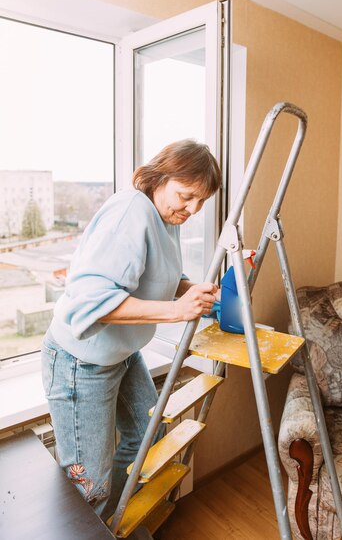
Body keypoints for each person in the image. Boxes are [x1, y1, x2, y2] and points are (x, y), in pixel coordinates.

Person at [41, 139, 221, 521]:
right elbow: (92, 301)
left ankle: (111, 523)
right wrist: (176, 310)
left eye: (201, 201)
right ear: (159, 177)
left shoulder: (164, 216)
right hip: (80, 361)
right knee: (89, 483)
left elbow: (155, 275)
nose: (192, 209)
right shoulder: (130, 212)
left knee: (146, 439)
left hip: (120, 355)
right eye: (187, 196)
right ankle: (93, 522)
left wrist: (189, 290)